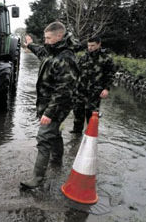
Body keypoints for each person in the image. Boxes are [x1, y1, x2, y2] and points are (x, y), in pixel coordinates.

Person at [20, 22, 79, 189]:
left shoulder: (66, 59)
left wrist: (49, 113)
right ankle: (56, 160)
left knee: (44, 138)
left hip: (55, 106)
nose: (45, 41)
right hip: (46, 104)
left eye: (48, 38)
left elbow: (64, 91)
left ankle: (37, 179)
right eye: (45, 38)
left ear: (59, 37)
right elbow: (41, 51)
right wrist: (30, 44)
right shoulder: (51, 50)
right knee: (55, 133)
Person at [70, 36, 116, 134]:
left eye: (92, 45)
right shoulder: (84, 57)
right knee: (78, 111)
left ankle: (90, 134)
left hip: (95, 91)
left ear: (99, 44)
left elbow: (110, 75)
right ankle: (76, 134)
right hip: (80, 90)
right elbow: (76, 72)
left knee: (91, 114)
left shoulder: (106, 58)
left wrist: (106, 89)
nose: (90, 48)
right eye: (88, 45)